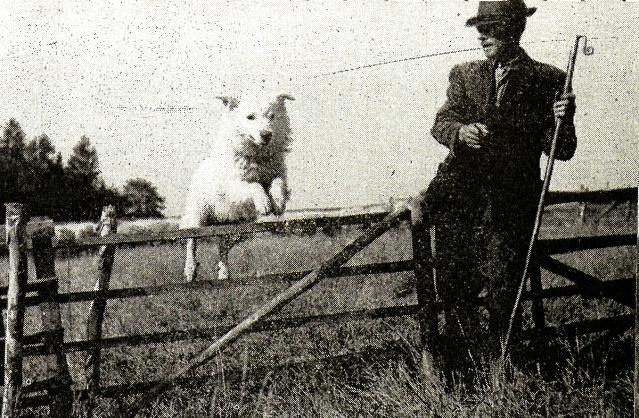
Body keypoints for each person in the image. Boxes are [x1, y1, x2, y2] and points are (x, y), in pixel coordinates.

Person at [414, 0, 578, 383]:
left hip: (510, 205)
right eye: (479, 26)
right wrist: (459, 132)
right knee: (453, 286)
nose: (481, 34)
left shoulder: (549, 80)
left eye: (491, 26)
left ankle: (500, 375)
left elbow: (562, 150)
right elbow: (441, 121)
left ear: (515, 28)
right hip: (458, 199)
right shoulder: (464, 74)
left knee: (504, 291)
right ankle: (458, 375)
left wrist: (562, 119)